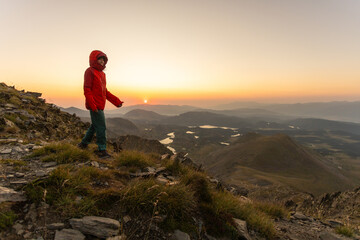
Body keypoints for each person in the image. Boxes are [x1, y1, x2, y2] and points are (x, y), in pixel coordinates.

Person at [78, 50, 123, 158]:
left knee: (94, 126)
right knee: (101, 127)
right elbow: (87, 89)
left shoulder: (102, 74)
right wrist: (93, 105)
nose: (102, 61)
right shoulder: (90, 71)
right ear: (94, 59)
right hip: (95, 105)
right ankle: (102, 150)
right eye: (100, 59)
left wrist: (117, 102)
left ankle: (83, 144)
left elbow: (105, 92)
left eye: (104, 59)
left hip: (99, 105)